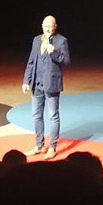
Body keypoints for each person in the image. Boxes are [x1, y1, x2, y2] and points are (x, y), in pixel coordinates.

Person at [22, 15, 69, 159]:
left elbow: (66, 61)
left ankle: (52, 147)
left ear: (55, 27)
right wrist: (26, 81)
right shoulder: (37, 40)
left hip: (51, 84)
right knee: (36, 115)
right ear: (42, 26)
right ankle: (39, 145)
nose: (48, 29)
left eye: (50, 26)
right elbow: (31, 62)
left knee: (53, 116)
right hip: (37, 84)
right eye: (45, 26)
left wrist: (53, 52)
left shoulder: (61, 41)